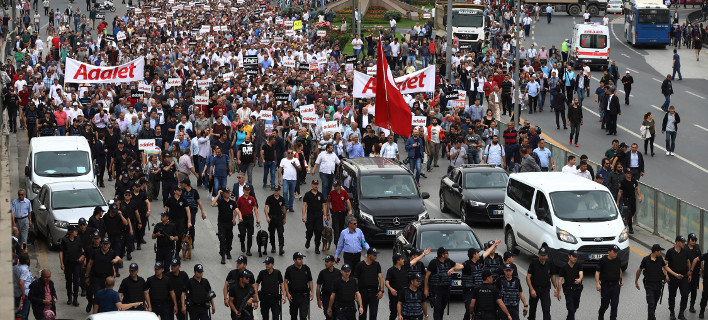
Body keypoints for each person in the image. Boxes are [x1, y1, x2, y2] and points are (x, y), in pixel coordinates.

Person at [425, 247, 464, 320]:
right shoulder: (433, 263)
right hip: (436, 289)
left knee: (442, 308)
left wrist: (453, 268)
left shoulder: (448, 261)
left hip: (446, 289)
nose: (448, 254)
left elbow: (461, 266)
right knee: (437, 308)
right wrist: (426, 289)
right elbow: (427, 276)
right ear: (442, 255)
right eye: (446, 253)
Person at [636, 244, 671, 320]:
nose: (661, 252)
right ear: (656, 251)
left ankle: (650, 317)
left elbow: (665, 267)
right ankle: (652, 318)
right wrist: (636, 281)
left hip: (658, 285)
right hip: (649, 285)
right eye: (660, 251)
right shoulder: (645, 260)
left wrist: (674, 274)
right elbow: (639, 270)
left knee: (654, 303)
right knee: (651, 304)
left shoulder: (660, 259)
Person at [526, 247, 556, 320]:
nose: (543, 257)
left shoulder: (549, 263)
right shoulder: (533, 263)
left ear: (547, 255)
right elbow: (528, 277)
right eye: (541, 255)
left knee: (546, 310)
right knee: (532, 310)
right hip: (535, 289)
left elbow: (552, 275)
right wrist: (531, 289)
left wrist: (556, 288)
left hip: (545, 289)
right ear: (538, 255)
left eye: (544, 255)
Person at [354, 248, 384, 320]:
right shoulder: (360, 265)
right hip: (362, 292)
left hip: (374, 293)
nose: (376, 256)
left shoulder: (377, 265)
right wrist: (355, 293)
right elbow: (355, 280)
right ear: (369, 255)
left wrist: (381, 290)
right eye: (374, 255)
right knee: (362, 314)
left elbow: (380, 278)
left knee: (373, 314)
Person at [666, 235, 692, 320]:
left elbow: (688, 261)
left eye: (684, 242)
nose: (684, 243)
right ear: (677, 242)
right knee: (672, 295)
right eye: (682, 242)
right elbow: (665, 264)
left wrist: (690, 272)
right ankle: (672, 312)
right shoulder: (670, 252)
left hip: (683, 277)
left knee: (685, 295)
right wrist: (666, 275)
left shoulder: (685, 251)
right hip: (673, 277)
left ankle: (681, 312)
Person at [595, 245, 623, 320]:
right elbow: (597, 272)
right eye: (614, 252)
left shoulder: (618, 260)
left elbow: (620, 270)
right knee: (605, 305)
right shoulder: (602, 260)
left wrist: (620, 280)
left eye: (617, 252)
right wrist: (598, 284)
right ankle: (601, 315)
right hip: (605, 286)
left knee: (614, 305)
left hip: (616, 286)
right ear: (609, 252)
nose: (616, 254)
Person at [284, 252, 314, 320]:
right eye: (299, 259)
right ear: (294, 260)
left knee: (303, 316)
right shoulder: (289, 269)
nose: (301, 260)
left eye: (302, 259)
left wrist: (312, 292)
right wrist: (287, 293)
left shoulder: (306, 268)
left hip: (304, 296)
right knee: (293, 316)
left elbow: (310, 281)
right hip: (293, 296)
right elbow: (285, 282)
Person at [59, 225, 83, 307]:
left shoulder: (78, 239)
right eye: (75, 231)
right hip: (68, 263)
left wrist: (82, 257)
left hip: (77, 263)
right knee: (69, 280)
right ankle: (69, 297)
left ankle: (75, 299)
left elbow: (82, 249)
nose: (77, 232)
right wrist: (62, 263)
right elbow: (61, 252)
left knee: (76, 280)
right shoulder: (64, 240)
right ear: (71, 232)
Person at [555, 251, 583, 320]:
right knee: (571, 309)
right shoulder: (564, 267)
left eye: (576, 257)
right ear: (569, 256)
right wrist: (559, 292)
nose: (575, 258)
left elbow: (581, 273)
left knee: (575, 307)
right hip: (568, 290)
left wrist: (579, 279)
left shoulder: (578, 264)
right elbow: (560, 280)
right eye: (573, 256)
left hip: (577, 290)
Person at [213, 188, 238, 264]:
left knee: (229, 239)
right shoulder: (220, 202)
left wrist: (238, 217)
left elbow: (237, 210)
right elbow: (212, 204)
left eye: (229, 192)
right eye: (226, 193)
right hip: (221, 224)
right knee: (222, 239)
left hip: (229, 224)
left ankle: (228, 251)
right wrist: (218, 195)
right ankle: (223, 256)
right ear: (223, 193)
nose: (228, 194)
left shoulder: (232, 202)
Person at [302, 179, 327, 254]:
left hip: (319, 216)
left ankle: (317, 247)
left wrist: (325, 215)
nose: (315, 186)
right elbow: (304, 205)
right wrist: (303, 215)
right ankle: (308, 240)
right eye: (314, 184)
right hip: (310, 215)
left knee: (318, 231)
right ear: (312, 185)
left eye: (317, 184)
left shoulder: (320, 195)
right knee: (309, 230)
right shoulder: (307, 194)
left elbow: (323, 205)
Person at [236, 184, 260, 256]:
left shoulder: (252, 199)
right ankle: (242, 243)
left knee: (250, 234)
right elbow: (236, 209)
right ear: (243, 190)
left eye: (248, 190)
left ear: (249, 191)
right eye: (245, 190)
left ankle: (248, 249)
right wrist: (234, 218)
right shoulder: (239, 199)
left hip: (250, 218)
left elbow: (255, 209)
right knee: (242, 233)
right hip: (242, 218)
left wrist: (257, 218)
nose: (246, 191)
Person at [616, 169, 643, 234]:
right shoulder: (623, 182)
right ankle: (630, 227)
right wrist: (618, 201)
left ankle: (625, 220)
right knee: (629, 213)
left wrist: (640, 196)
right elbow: (620, 192)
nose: (629, 174)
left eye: (630, 173)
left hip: (633, 199)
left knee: (633, 211)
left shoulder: (634, 181)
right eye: (628, 173)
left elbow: (637, 188)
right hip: (626, 199)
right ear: (625, 174)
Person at [264, 186, 287, 256]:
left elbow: (283, 209)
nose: (275, 192)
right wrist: (267, 217)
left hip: (279, 218)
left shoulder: (282, 199)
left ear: (279, 191)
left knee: (280, 233)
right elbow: (266, 208)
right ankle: (273, 246)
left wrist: (285, 218)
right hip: (272, 218)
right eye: (274, 190)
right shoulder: (269, 198)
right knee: (272, 233)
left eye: (277, 190)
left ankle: (281, 248)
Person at [317, 255, 340, 320]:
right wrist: (318, 300)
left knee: (336, 317)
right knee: (329, 316)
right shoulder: (322, 273)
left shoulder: (338, 272)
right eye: (325, 262)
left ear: (332, 262)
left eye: (327, 262)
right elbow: (318, 287)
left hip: (336, 298)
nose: (325, 263)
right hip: (326, 298)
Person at [279, 148, 301, 213]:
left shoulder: (296, 160)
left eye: (292, 153)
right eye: (289, 153)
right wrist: (279, 178)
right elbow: (280, 169)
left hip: (293, 179)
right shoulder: (283, 160)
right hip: (285, 178)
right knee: (285, 192)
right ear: (286, 153)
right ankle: (286, 206)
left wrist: (295, 165)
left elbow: (300, 168)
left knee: (291, 194)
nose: (290, 154)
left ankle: (291, 206)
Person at [686, 233, 702, 314]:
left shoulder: (697, 248)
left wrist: (701, 269)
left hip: (695, 273)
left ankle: (692, 305)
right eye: (692, 240)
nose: (694, 242)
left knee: (694, 290)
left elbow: (700, 259)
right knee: (686, 290)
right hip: (687, 272)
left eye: (695, 240)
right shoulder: (684, 248)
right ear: (689, 240)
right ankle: (683, 305)